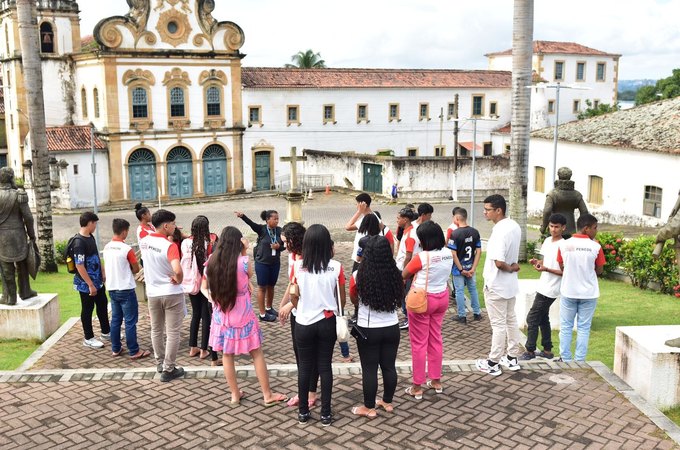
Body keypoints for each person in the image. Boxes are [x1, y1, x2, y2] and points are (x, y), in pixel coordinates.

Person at [203, 226, 288, 406]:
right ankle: (267, 394)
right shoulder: (243, 262)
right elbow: (248, 276)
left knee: (227, 355)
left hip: (221, 315)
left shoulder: (211, 261)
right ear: (237, 242)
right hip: (242, 315)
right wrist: (243, 249)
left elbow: (207, 284)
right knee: (256, 352)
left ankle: (234, 394)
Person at [290, 224, 345, 427]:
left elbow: (294, 296)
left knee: (304, 368)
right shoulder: (336, 267)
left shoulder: (297, 266)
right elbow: (342, 301)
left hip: (303, 322)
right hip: (327, 321)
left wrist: (303, 307)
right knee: (325, 367)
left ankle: (303, 412)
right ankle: (326, 414)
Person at [349, 235, 402, 418]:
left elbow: (353, 298)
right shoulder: (395, 272)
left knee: (369, 369)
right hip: (392, 326)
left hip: (368, 329)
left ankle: (369, 407)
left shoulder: (358, 275)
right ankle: (387, 401)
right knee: (389, 366)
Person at [402, 221, 453, 399]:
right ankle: (436, 380)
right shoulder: (448, 253)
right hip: (442, 298)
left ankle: (417, 386)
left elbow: (405, 274)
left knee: (418, 343)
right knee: (435, 339)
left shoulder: (422, 257)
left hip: (422, 300)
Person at [475, 194, 522, 377]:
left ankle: (493, 362)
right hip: (509, 286)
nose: (485, 213)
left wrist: (511, 268)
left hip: (497, 284)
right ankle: (511, 357)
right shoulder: (514, 226)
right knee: (510, 320)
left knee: (499, 324)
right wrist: (513, 268)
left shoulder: (500, 231)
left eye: (487, 210)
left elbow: (499, 263)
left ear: (498, 210)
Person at [278, 222, 320, 409]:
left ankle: (310, 393)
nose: (284, 247)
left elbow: (306, 287)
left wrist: (289, 304)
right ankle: (306, 390)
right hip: (296, 309)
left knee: (310, 354)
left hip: (309, 311)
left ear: (294, 240)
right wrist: (282, 303)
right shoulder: (293, 255)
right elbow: (292, 283)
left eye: (286, 242)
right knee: (299, 352)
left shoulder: (307, 257)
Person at [139, 209, 185, 382]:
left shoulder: (144, 242)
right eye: (173, 224)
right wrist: (178, 279)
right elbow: (178, 270)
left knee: (156, 329)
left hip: (152, 293)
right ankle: (169, 368)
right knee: (173, 332)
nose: (175, 226)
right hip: (171, 293)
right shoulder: (169, 246)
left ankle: (160, 362)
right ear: (166, 226)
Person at [557, 213, 605, 362]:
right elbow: (600, 270)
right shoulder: (596, 247)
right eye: (595, 228)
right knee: (584, 328)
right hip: (589, 294)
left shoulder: (563, 244)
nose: (596, 231)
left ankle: (565, 358)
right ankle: (580, 360)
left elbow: (561, 265)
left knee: (566, 326)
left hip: (568, 291)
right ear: (586, 229)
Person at [520, 213, 566, 360]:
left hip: (552, 288)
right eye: (551, 226)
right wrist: (537, 263)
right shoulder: (547, 241)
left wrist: (546, 269)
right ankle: (547, 350)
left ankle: (530, 350)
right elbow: (544, 262)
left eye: (556, 227)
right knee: (543, 318)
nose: (553, 229)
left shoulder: (564, 245)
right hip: (543, 284)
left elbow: (564, 272)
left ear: (563, 228)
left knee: (532, 318)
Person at [102, 218, 150, 359]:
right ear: (124, 231)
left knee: (116, 319)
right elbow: (136, 268)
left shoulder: (106, 247)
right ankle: (134, 350)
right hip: (126, 289)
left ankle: (116, 348)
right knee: (130, 321)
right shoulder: (126, 249)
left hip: (112, 288)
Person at [182, 215, 219, 365]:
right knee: (206, 316)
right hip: (204, 284)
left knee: (195, 314)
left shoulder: (185, 243)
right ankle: (204, 349)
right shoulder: (207, 243)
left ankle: (193, 347)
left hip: (191, 284)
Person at [234, 210, 283, 322]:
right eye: (274, 218)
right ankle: (262, 314)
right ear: (267, 220)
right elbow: (251, 224)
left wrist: (278, 247)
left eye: (277, 219)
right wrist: (243, 216)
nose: (277, 221)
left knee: (271, 286)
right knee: (262, 287)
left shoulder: (279, 230)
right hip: (262, 263)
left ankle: (269, 308)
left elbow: (284, 245)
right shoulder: (261, 229)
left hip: (275, 263)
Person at [0, 167, 37, 305]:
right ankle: (25, 291)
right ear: (11, 178)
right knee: (22, 264)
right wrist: (31, 235)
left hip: (2, 237)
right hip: (18, 235)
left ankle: (9, 296)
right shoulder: (19, 195)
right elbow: (28, 217)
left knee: (5, 267)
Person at [73, 211, 110, 349]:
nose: (95, 226)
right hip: (86, 284)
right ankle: (88, 337)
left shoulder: (90, 237)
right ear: (89, 223)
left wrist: (102, 271)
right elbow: (79, 265)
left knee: (102, 305)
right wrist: (90, 284)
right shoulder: (79, 243)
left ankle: (106, 332)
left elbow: (96, 256)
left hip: (98, 281)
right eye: (94, 223)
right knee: (87, 309)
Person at [447, 208, 482, 324]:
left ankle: (462, 315)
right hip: (470, 267)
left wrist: (461, 269)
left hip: (459, 270)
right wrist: (473, 268)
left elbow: (453, 254)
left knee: (460, 291)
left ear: (456, 218)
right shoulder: (475, 232)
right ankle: (477, 313)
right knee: (473, 289)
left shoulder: (455, 234)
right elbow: (479, 252)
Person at [345, 193, 392, 272]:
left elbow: (348, 227)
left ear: (363, 204)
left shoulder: (369, 218)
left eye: (357, 204)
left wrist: (359, 211)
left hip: (363, 259)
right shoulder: (369, 216)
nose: (356, 206)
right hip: (363, 257)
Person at [540, 167, 589, 237]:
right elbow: (584, 211)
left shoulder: (552, 194)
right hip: (570, 229)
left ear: (558, 176)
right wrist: (581, 229)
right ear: (570, 176)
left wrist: (543, 227)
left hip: (555, 229)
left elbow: (547, 211)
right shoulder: (576, 195)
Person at [394, 207, 419, 329]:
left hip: (407, 270)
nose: (397, 221)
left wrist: (404, 274)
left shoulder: (410, 235)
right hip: (407, 269)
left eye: (398, 218)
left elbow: (408, 256)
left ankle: (409, 319)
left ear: (405, 219)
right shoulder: (408, 231)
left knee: (406, 294)